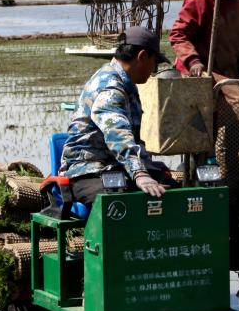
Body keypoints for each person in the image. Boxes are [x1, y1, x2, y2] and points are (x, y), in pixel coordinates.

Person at [57, 26, 176, 207]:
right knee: (123, 203)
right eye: (154, 63)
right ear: (142, 56)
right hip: (88, 171)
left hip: (118, 168)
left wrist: (146, 167)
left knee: (176, 193)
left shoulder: (127, 85)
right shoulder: (110, 87)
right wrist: (140, 173)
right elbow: (117, 133)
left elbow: (133, 139)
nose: (153, 70)